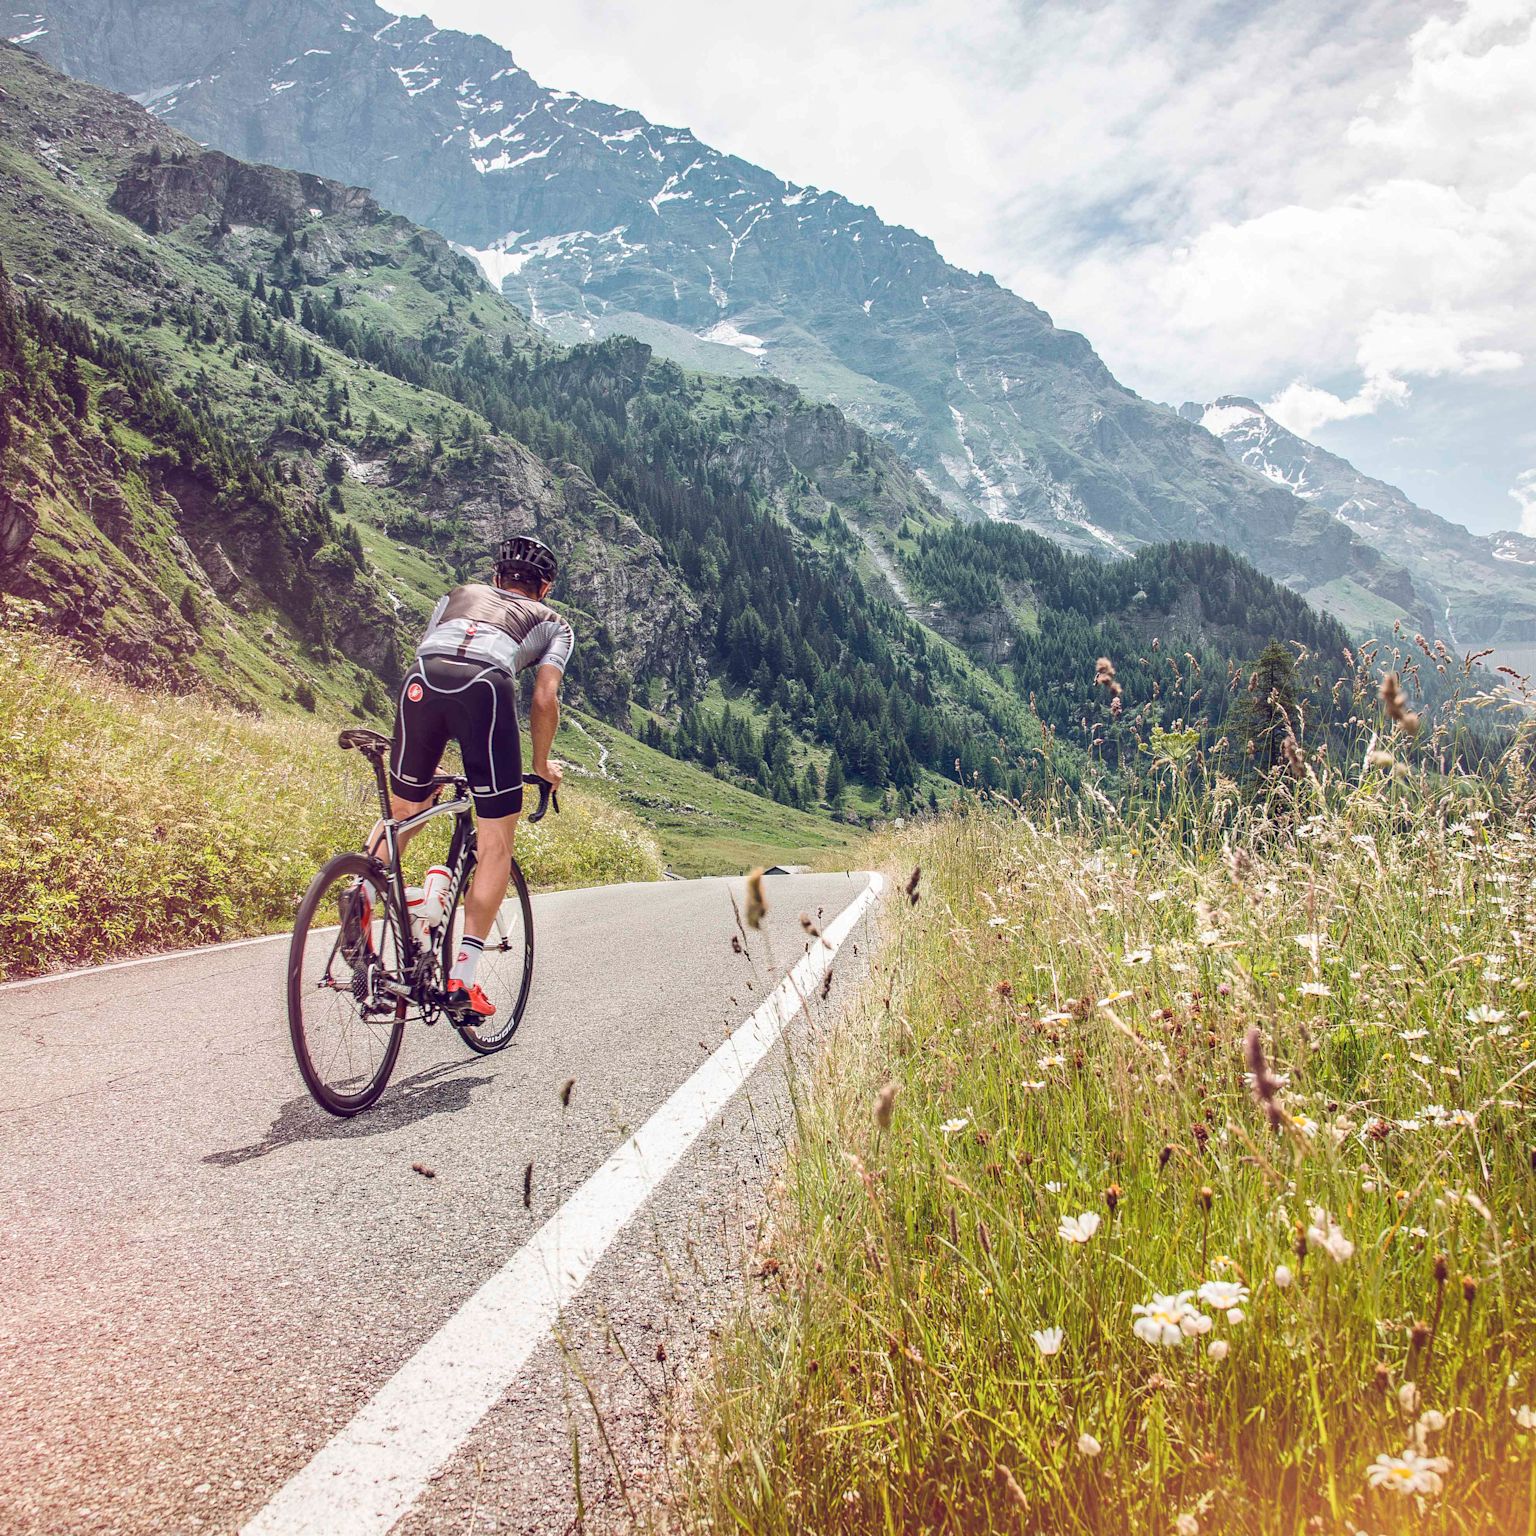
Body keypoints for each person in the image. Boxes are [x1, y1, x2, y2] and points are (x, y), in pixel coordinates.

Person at [349, 534, 573, 1017]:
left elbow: (436, 655)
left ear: (496, 578)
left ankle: (362, 891)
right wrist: (540, 765)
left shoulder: (454, 596)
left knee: (408, 808)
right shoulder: (554, 623)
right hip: (485, 689)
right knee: (495, 842)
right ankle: (463, 981)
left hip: (421, 682)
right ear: (546, 588)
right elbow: (543, 698)